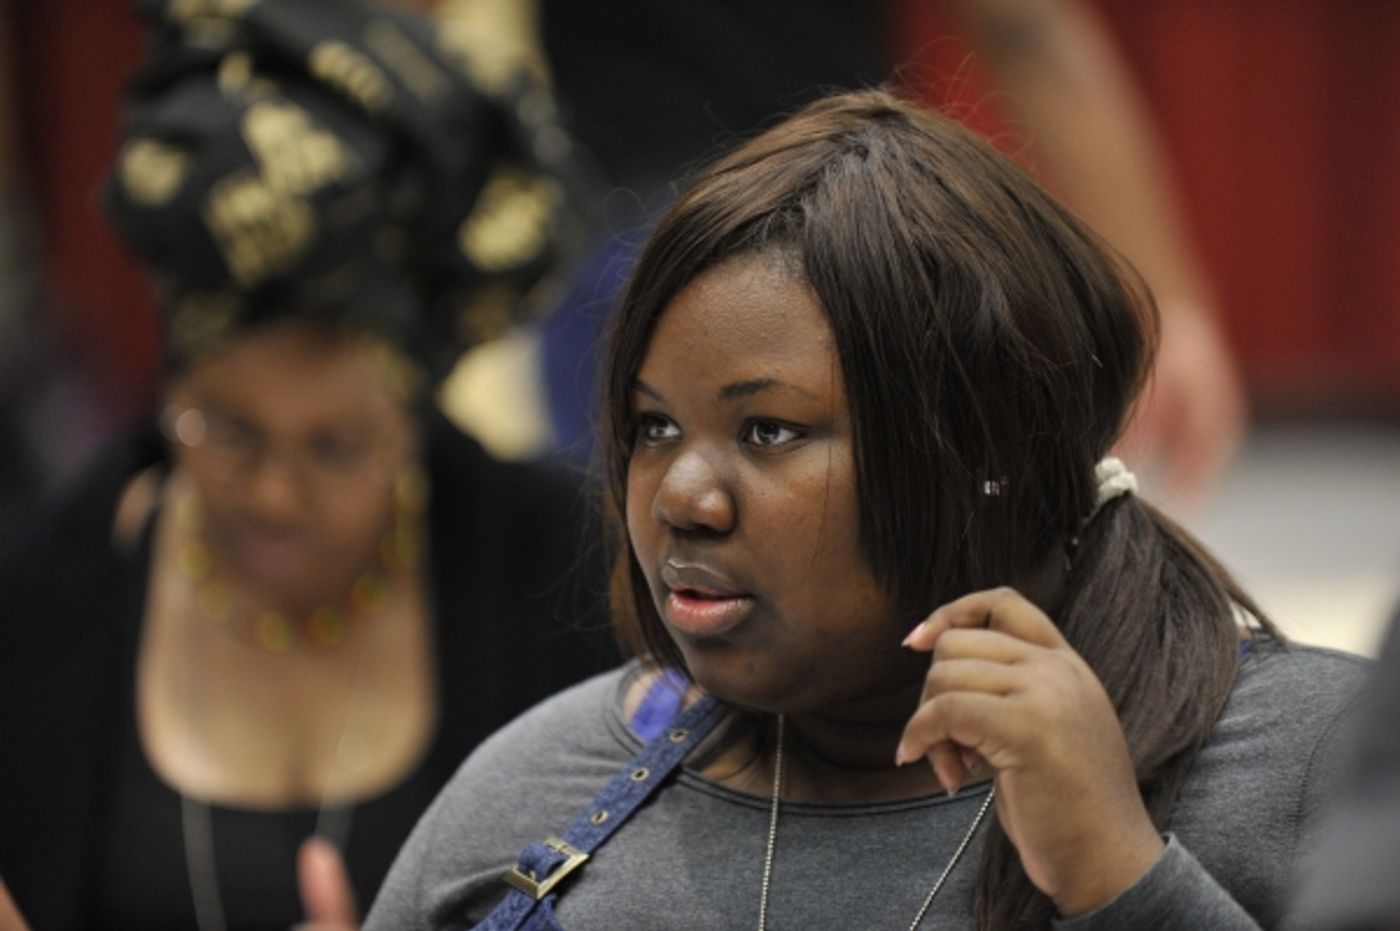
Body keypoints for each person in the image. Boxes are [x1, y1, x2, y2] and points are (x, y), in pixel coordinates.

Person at [365, 89, 1365, 930]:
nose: (680, 496)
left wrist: (1119, 877)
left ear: (986, 455)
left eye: (767, 431)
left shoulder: (1318, 766)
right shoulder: (536, 786)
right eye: (653, 425)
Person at [0, 1, 616, 928]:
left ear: (412, 421)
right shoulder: (42, 603)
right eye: (228, 430)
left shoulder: (559, 583)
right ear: (169, 394)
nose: (275, 494)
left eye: (336, 446)